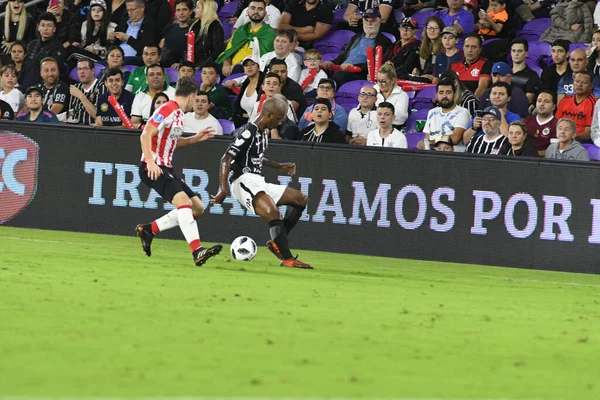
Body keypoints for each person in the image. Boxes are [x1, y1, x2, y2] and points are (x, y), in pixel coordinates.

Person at [211, 96, 313, 269]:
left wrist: (279, 165)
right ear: (269, 115)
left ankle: (277, 243)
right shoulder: (248, 131)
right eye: (280, 118)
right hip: (243, 181)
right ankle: (287, 258)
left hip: (258, 181)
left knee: (300, 198)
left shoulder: (262, 131)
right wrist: (223, 189)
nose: (281, 122)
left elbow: (256, 156)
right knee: (273, 213)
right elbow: (226, 159)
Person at [135, 77, 222, 267]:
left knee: (197, 207)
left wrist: (194, 139)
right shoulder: (167, 109)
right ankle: (197, 250)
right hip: (153, 168)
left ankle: (149, 229)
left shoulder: (179, 114)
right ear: (191, 97)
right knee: (183, 203)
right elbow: (145, 134)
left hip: (166, 168)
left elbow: (173, 142)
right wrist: (150, 161)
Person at [323, 8, 392, 87]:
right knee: (322, 69)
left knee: (340, 75)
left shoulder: (384, 41)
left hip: (360, 73)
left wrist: (354, 66)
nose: (369, 23)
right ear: (362, 21)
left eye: (373, 21)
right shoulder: (356, 37)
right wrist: (332, 62)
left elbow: (378, 64)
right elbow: (343, 55)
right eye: (366, 20)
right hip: (344, 68)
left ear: (379, 22)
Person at [216, 0, 275, 77]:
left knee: (237, 70)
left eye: (260, 9)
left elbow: (263, 57)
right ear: (247, 11)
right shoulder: (241, 30)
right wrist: (226, 63)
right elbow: (229, 50)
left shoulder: (269, 33)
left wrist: (239, 64)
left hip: (249, 68)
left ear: (265, 13)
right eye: (253, 8)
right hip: (230, 66)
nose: (256, 12)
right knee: (213, 67)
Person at [421, 78, 471, 152]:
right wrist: (423, 143)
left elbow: (455, 139)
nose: (444, 96)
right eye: (441, 92)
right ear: (436, 95)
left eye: (448, 92)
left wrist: (432, 142)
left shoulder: (463, 112)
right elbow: (427, 137)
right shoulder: (432, 112)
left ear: (454, 95)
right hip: (433, 154)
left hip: (453, 156)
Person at [20, 12, 66, 91]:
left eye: (49, 26)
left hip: (43, 84)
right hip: (25, 81)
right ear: (38, 27)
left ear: (54, 29)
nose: (45, 29)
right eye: (43, 25)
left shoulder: (58, 47)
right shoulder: (32, 44)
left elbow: (53, 71)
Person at [110, 0, 158, 65]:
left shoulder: (149, 25)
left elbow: (146, 49)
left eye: (132, 10)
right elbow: (114, 45)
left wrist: (128, 39)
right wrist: (112, 39)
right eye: (128, 10)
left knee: (124, 61)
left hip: (135, 59)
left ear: (142, 8)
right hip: (117, 57)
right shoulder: (123, 23)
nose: (129, 13)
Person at [555, 70, 596, 142]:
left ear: (591, 86)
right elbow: (556, 124)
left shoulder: (594, 104)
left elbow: (588, 134)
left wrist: (570, 139)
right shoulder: (565, 101)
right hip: (560, 139)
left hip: (580, 142)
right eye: (577, 81)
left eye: (584, 82)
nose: (579, 85)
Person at [66, 59, 107, 125]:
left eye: (85, 68)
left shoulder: (101, 87)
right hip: (75, 128)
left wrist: (81, 96)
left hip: (92, 129)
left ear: (93, 70)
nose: (82, 72)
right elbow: (71, 112)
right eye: (79, 69)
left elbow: (98, 116)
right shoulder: (76, 87)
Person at [450, 33, 491, 99]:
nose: (469, 50)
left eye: (474, 47)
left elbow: (483, 87)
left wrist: (471, 102)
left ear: (480, 50)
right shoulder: (454, 65)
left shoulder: (485, 64)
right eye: (467, 46)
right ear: (463, 48)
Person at [188, 0, 225, 68]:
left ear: (206, 9)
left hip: (208, 66)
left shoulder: (215, 26)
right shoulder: (193, 25)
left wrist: (202, 65)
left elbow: (217, 51)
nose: (195, 10)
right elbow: (188, 48)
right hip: (194, 64)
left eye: (198, 8)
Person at [230, 56, 264, 126]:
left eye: (252, 64)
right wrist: (242, 115)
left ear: (258, 66)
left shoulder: (264, 83)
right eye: (246, 65)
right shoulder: (245, 83)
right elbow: (237, 106)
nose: (249, 67)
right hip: (245, 124)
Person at [374, 61, 409, 128]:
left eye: (383, 81)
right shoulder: (373, 90)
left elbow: (400, 118)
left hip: (393, 130)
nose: (380, 84)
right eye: (378, 80)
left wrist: (378, 114)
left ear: (392, 80)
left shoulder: (402, 95)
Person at [0, 0, 35, 65]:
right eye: (13, 0)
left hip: (24, 60)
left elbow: (31, 42)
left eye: (20, 1)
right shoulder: (1, 21)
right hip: (4, 61)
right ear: (9, 3)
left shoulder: (29, 21)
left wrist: (14, 45)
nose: (17, 3)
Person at [159, 0, 193, 67]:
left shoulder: (194, 30)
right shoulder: (169, 28)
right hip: (166, 65)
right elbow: (161, 47)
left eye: (184, 10)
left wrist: (182, 64)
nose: (181, 13)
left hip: (185, 66)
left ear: (191, 11)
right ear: (175, 13)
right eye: (178, 10)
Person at [509, 38, 541, 107]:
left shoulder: (532, 75)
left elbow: (528, 100)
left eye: (519, 51)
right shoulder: (505, 72)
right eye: (513, 51)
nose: (516, 54)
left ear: (526, 54)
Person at [524, 90, 557, 157]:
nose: (542, 104)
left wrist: (532, 154)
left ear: (553, 107)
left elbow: (554, 150)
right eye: (539, 101)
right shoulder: (527, 120)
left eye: (546, 101)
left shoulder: (557, 124)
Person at [416, 16, 444, 81]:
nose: (432, 30)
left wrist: (432, 77)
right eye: (429, 28)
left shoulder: (444, 48)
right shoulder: (423, 46)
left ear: (441, 30)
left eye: (435, 28)